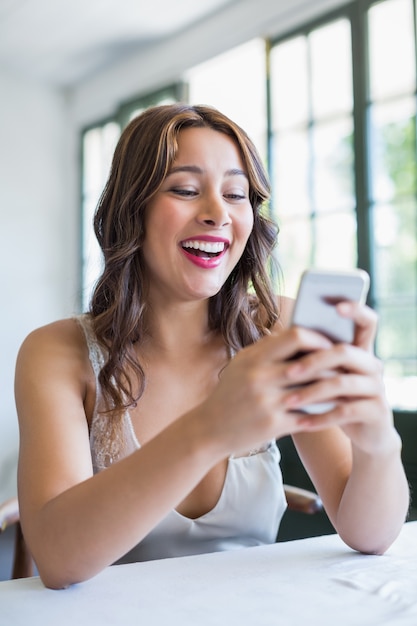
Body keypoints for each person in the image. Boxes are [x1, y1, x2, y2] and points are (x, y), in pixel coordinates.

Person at [15, 103, 409, 590]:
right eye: (184, 189)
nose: (218, 214)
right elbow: (57, 558)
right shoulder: (56, 352)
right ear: (130, 209)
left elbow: (369, 535)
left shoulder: (279, 329)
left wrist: (377, 441)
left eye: (236, 194)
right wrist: (212, 428)